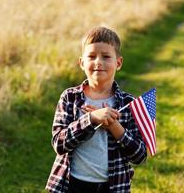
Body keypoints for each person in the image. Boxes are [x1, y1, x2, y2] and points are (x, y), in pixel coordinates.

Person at [45, 26, 147, 193]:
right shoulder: (70, 98)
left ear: (118, 63)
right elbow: (59, 143)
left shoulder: (128, 104)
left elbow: (139, 156)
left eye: (106, 56)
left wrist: (114, 126)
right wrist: (90, 119)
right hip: (72, 184)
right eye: (91, 56)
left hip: (113, 186)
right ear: (81, 62)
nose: (98, 62)